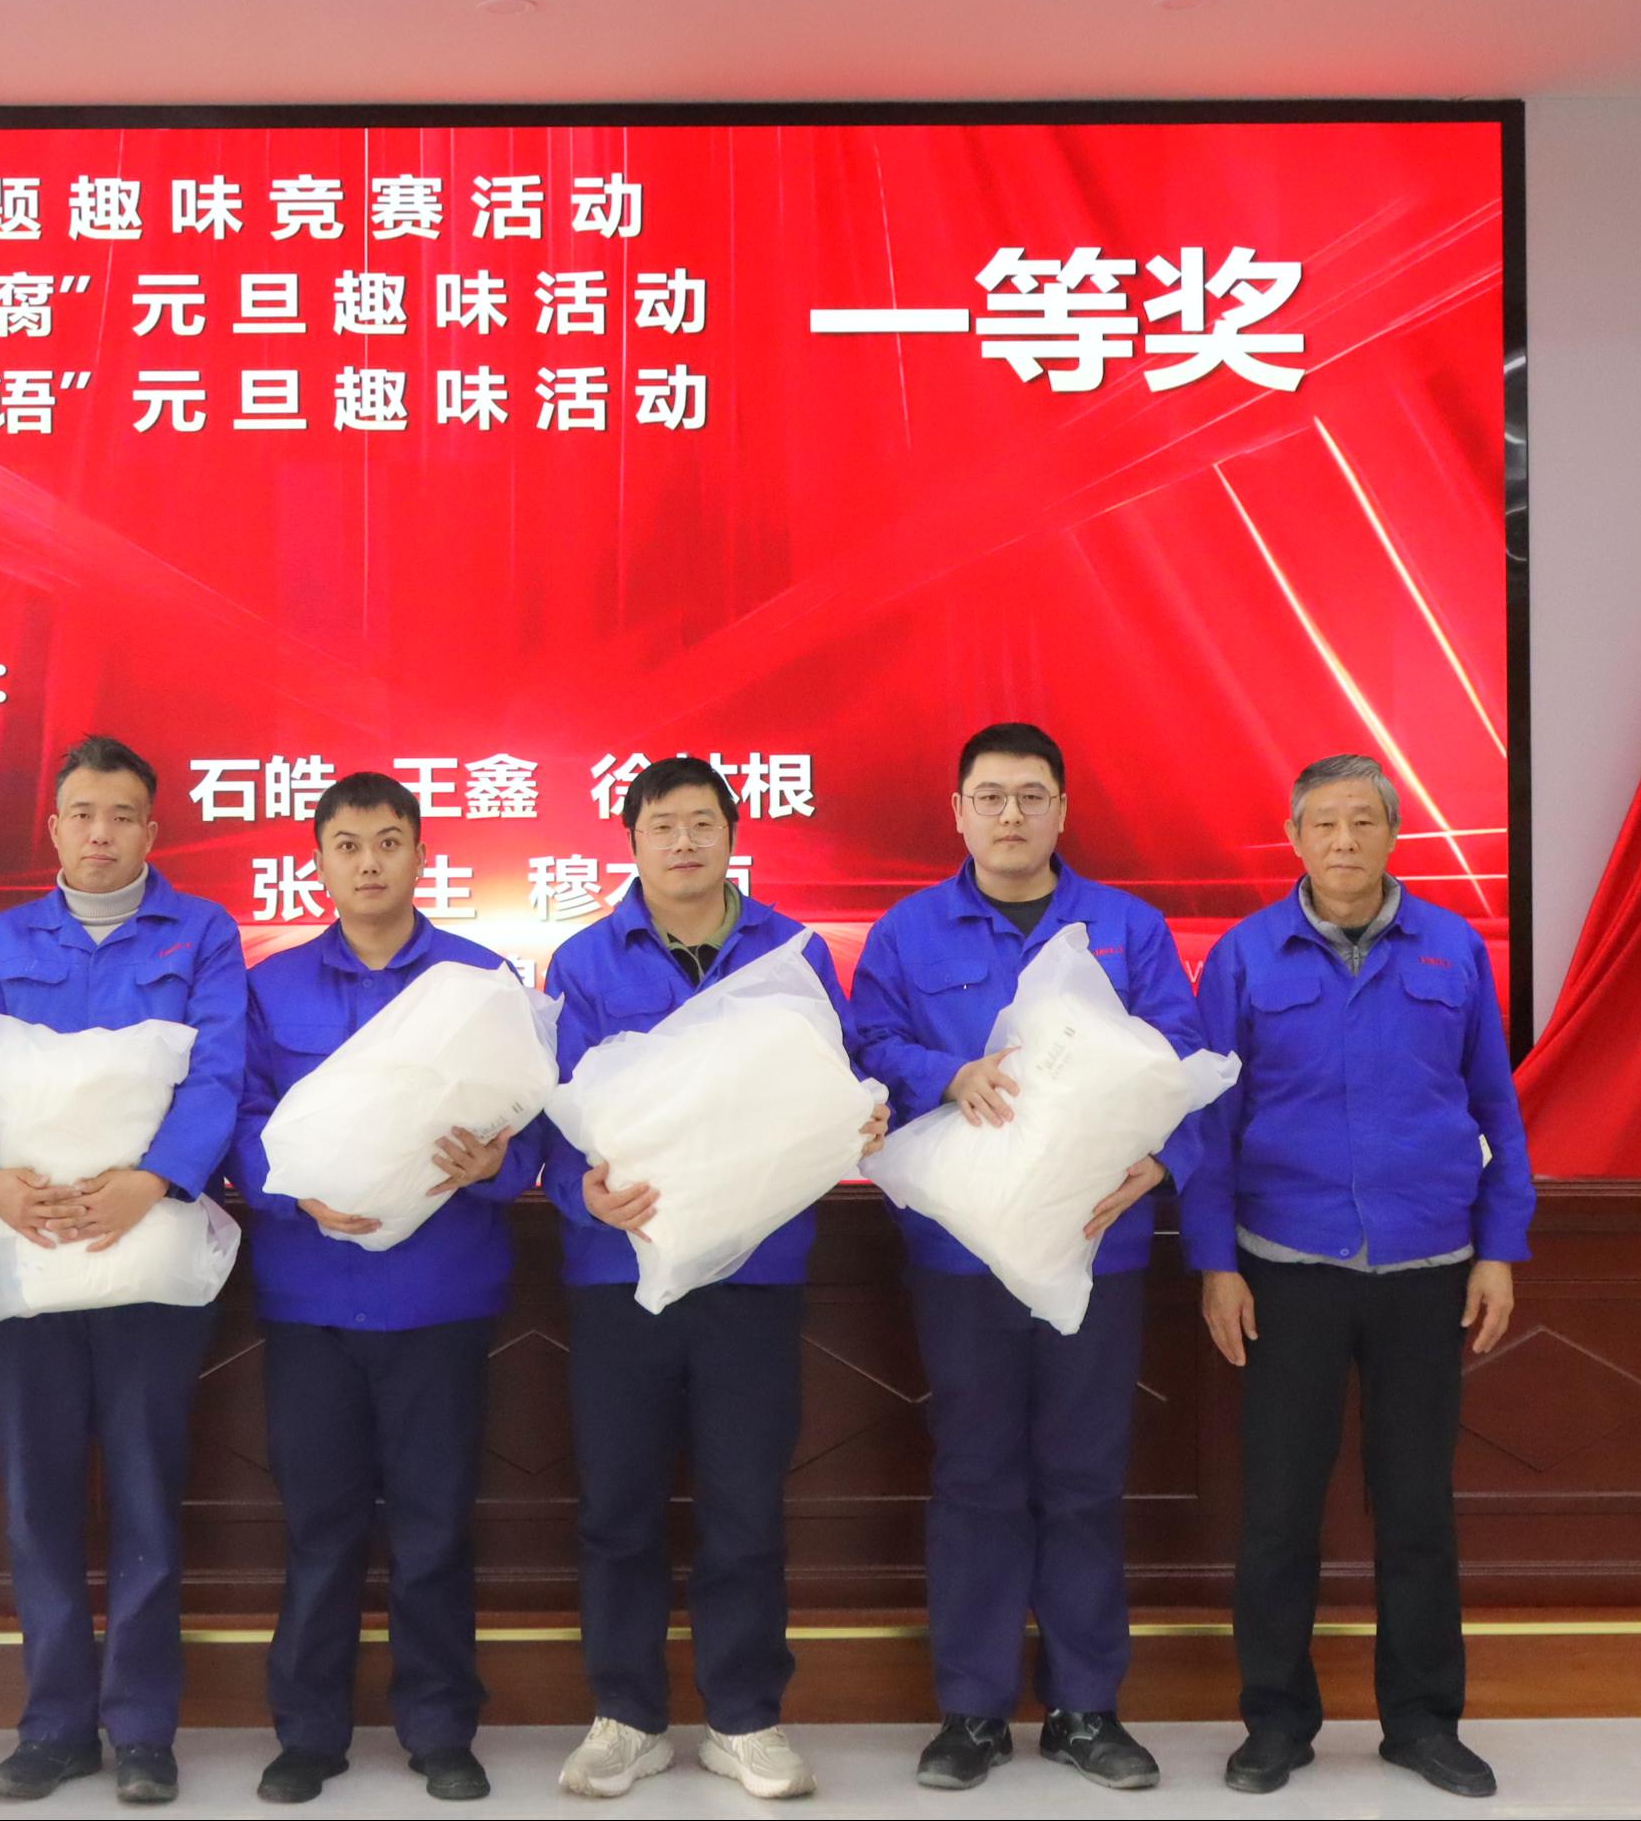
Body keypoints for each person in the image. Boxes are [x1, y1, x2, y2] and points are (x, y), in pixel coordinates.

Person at [849, 722, 1205, 1793]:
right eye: (991, 796)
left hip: (1097, 1245)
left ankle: (1086, 1708)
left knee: (1085, 1476)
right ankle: (972, 1712)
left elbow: (1186, 1060)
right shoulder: (908, 933)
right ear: (958, 812)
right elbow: (865, 1047)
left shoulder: (1128, 929)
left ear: (1062, 810)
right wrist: (946, 1074)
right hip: (963, 1250)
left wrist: (1166, 1160)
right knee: (975, 1476)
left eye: (1031, 796)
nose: (1011, 814)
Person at [1185, 754, 1532, 1802]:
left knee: (1417, 1505)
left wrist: (1500, 1246)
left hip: (1427, 1267)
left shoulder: (1453, 948)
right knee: (1280, 1507)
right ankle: (1274, 1721)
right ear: (1294, 838)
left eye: (1362, 822)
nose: (1343, 841)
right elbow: (1208, 1126)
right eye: (1323, 824)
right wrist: (1214, 1264)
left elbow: (1496, 1106)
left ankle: (1423, 1721)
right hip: (1285, 1268)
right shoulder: (1244, 957)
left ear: (1393, 835)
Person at [541, 756, 887, 1803]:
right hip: (620, 1271)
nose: (683, 841)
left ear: (734, 835)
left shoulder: (792, 952)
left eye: (702, 822)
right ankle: (626, 1717)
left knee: (745, 1503)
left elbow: (834, 1078)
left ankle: (745, 1717)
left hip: (755, 1269)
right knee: (619, 1505)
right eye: (662, 825)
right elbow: (547, 1110)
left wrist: (859, 1115)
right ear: (632, 841)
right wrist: (581, 1195)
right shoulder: (582, 960)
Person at [0, 736, 248, 1805]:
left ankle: (143, 1729)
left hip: (148, 1254)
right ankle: (56, 1727)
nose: (102, 833)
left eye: (122, 815)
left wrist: (154, 1181)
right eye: (83, 813)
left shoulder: (202, 932)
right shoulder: (5, 938)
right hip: (27, 1258)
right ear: (55, 828)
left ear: (152, 830)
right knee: (38, 1501)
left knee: (146, 1497)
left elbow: (219, 1071)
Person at [227, 772, 544, 1806]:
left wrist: (495, 1162)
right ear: (318, 862)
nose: (369, 862)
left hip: (439, 1296)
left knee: (434, 1526)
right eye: (348, 844)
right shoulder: (272, 986)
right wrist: (290, 1190)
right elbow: (242, 1118)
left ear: (420, 854)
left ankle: (440, 1729)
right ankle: (308, 1735)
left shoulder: (479, 979)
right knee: (318, 1528)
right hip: (310, 1297)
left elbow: (534, 1122)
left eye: (389, 842)